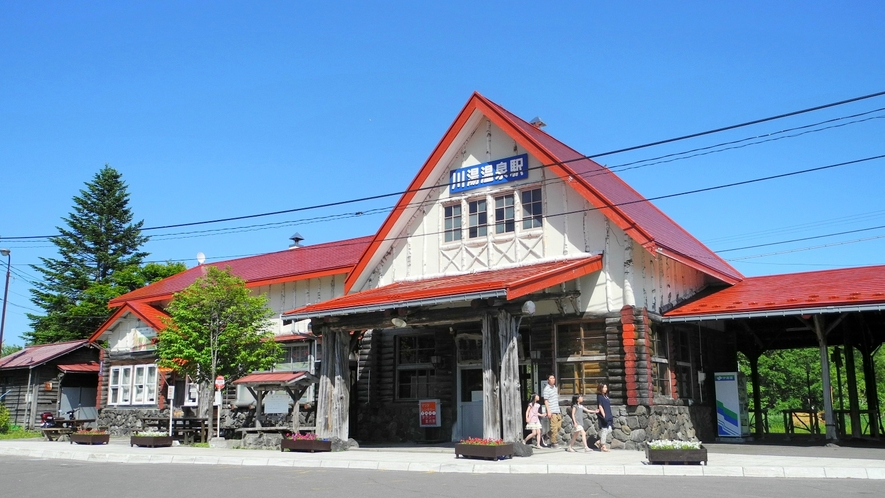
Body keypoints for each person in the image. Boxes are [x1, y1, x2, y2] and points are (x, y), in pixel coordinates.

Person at [542, 374, 562, 448]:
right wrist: (548, 411)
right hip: (552, 410)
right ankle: (554, 443)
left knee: (559, 427)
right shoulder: (546, 389)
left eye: (554, 378)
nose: (553, 379)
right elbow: (546, 401)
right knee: (554, 427)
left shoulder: (555, 388)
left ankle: (548, 435)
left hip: (557, 410)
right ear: (548, 380)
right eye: (551, 378)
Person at [596, 383, 613, 452]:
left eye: (606, 387)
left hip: (609, 414)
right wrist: (604, 415)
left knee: (610, 429)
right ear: (601, 388)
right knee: (604, 429)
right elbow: (600, 406)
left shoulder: (606, 396)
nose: (606, 389)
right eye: (604, 387)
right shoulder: (599, 396)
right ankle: (603, 446)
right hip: (604, 415)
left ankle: (599, 442)